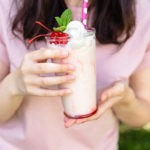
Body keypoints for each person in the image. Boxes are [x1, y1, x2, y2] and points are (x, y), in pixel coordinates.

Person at [0, 0, 150, 149]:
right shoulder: (8, 5)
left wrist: (126, 100)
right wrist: (14, 85)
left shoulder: (140, 10)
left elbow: (144, 113)